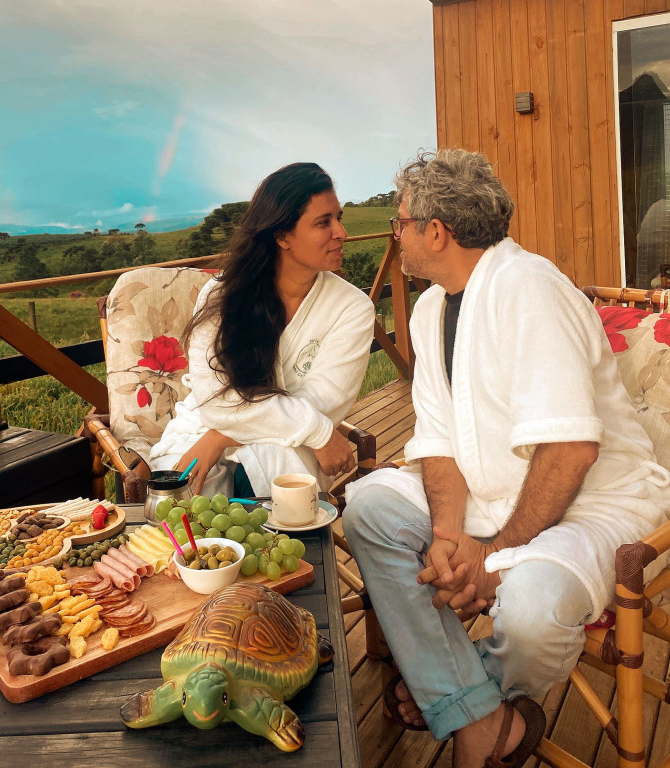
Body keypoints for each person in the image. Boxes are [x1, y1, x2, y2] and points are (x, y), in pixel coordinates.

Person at [343, 149, 670, 768]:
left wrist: (494, 556)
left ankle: (461, 698)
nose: (395, 236)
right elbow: (438, 442)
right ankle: (486, 717)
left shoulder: (530, 289)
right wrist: (448, 538)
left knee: (532, 615)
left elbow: (571, 451)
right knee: (370, 509)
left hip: (593, 503)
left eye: (399, 223)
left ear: (435, 232)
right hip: (488, 494)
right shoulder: (431, 308)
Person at [148, 162, 376, 498]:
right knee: (181, 491)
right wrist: (311, 429)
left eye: (338, 218)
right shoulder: (222, 295)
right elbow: (214, 400)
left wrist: (221, 437)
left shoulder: (352, 308)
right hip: (202, 427)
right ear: (282, 236)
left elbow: (324, 403)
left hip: (290, 445)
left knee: (278, 476)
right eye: (323, 222)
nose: (341, 232)